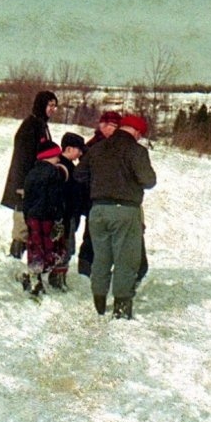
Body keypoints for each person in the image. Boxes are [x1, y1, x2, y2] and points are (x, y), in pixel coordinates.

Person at [75, 114, 156, 319]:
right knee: (125, 259)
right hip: (125, 211)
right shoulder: (137, 151)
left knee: (101, 256)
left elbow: (79, 174)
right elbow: (148, 180)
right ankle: (121, 305)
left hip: (98, 210)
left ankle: (99, 299)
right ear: (137, 131)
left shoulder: (97, 148)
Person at [1, 91, 58, 259]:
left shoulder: (41, 125)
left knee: (31, 220)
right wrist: (22, 185)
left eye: (55, 106)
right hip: (25, 183)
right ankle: (16, 255)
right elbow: (23, 158)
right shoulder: (30, 126)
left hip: (36, 182)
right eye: (50, 105)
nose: (53, 110)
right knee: (22, 222)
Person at [20, 140, 68, 297]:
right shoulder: (54, 173)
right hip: (48, 216)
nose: (59, 159)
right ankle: (39, 277)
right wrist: (59, 218)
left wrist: (27, 215)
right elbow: (56, 198)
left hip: (33, 216)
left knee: (35, 247)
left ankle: (34, 275)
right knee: (50, 248)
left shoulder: (31, 172)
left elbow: (26, 198)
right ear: (49, 156)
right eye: (56, 156)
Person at [77, 110, 122, 276]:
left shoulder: (115, 146)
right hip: (92, 196)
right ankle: (86, 265)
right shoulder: (93, 145)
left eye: (117, 126)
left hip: (107, 196)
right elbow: (83, 172)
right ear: (102, 125)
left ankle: (98, 265)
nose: (113, 130)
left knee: (105, 234)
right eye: (111, 126)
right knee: (92, 232)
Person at [47, 131, 87, 290]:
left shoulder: (65, 166)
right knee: (64, 247)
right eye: (78, 149)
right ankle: (57, 278)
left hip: (66, 214)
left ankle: (58, 276)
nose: (80, 153)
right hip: (64, 215)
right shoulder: (63, 168)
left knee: (64, 246)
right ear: (69, 148)